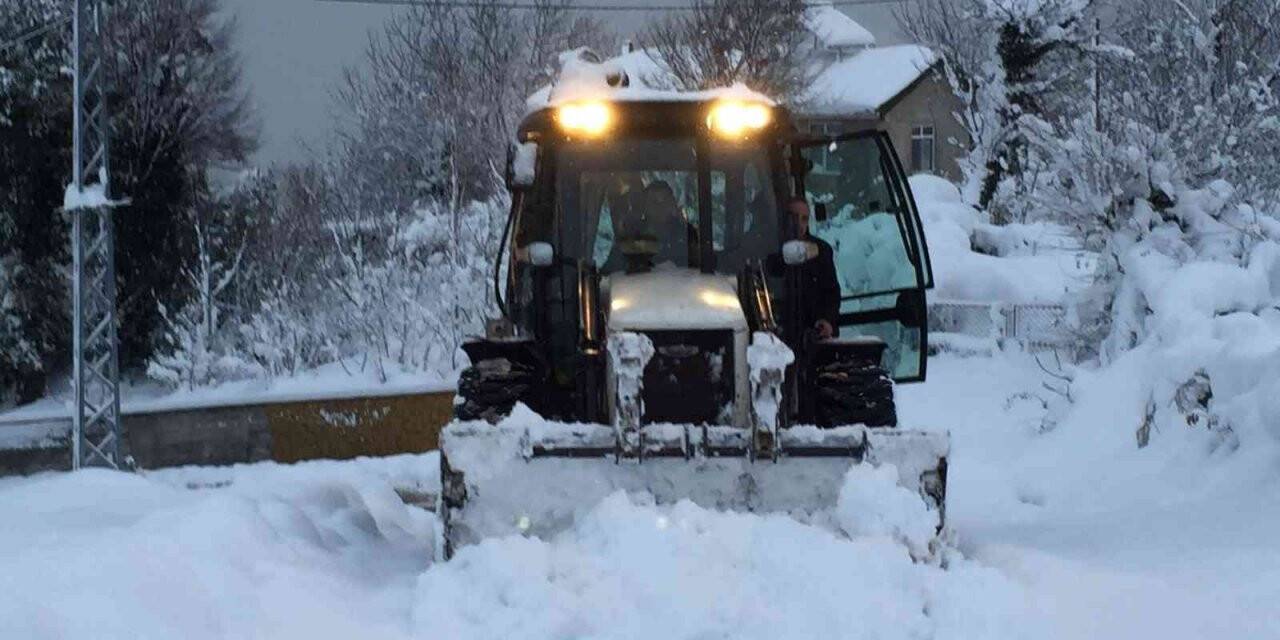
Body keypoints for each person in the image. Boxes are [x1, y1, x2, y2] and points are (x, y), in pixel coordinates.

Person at [786, 197, 841, 340]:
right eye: (793, 218)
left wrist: (827, 321)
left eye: (804, 219)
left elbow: (831, 293)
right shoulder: (767, 252)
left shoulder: (821, 251)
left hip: (812, 338)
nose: (799, 224)